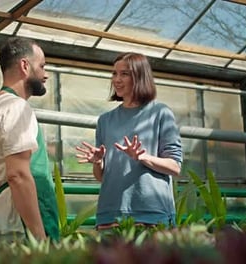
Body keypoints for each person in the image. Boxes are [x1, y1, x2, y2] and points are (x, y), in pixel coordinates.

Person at [76, 52, 183, 230]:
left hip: (150, 214)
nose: (117, 79)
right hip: (109, 215)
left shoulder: (160, 113)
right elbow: (101, 177)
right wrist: (98, 162)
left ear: (140, 76)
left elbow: (175, 167)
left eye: (124, 74)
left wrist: (143, 157)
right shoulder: (105, 120)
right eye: (114, 74)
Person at [0, 37, 59, 242]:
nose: (45, 74)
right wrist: (39, 236)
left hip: (5, 224)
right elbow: (18, 175)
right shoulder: (16, 107)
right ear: (25, 65)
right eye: (41, 66)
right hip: (19, 229)